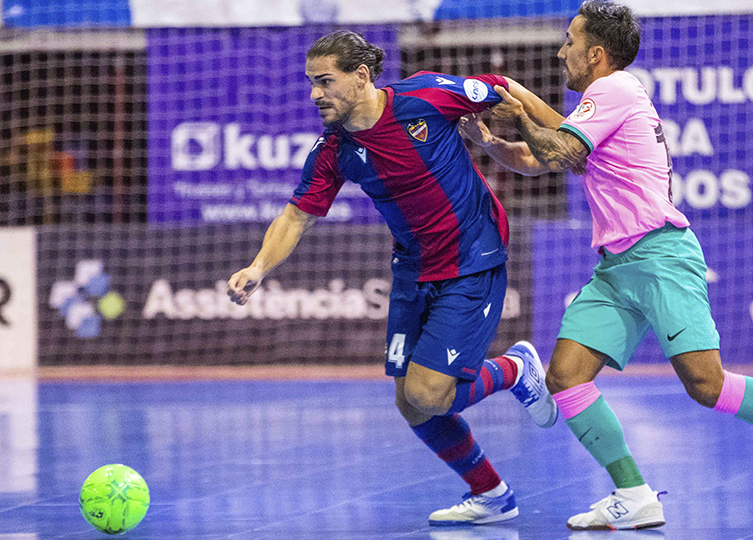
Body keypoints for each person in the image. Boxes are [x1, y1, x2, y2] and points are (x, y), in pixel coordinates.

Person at [459, 1, 753, 530]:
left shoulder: (615, 90)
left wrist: (517, 109)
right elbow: (539, 158)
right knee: (565, 377)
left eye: (569, 41)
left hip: (659, 255)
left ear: (597, 53)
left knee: (706, 385)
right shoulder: (598, 106)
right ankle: (633, 492)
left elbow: (554, 150)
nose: (561, 51)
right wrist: (490, 142)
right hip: (615, 268)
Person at [225, 30, 559, 526]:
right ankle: (492, 494)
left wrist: (565, 133)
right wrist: (257, 267)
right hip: (414, 268)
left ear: (361, 77)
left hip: (473, 257)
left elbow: (501, 85)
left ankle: (513, 369)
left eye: (325, 81)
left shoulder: (424, 95)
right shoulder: (334, 148)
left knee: (428, 393)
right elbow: (297, 215)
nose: (316, 94)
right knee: (412, 405)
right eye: (311, 84)